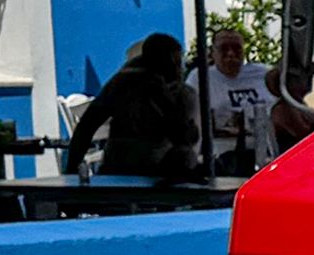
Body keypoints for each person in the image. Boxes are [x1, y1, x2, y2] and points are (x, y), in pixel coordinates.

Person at [65, 34, 205, 183]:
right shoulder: (129, 83)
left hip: (123, 165)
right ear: (171, 61)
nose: (181, 69)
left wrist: (71, 169)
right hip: (144, 166)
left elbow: (86, 126)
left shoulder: (122, 81)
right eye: (178, 62)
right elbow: (183, 137)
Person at [202, 25, 275, 178]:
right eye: (224, 49)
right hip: (222, 157)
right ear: (212, 52)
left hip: (266, 154)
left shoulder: (263, 73)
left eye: (236, 49)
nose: (230, 54)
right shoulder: (201, 77)